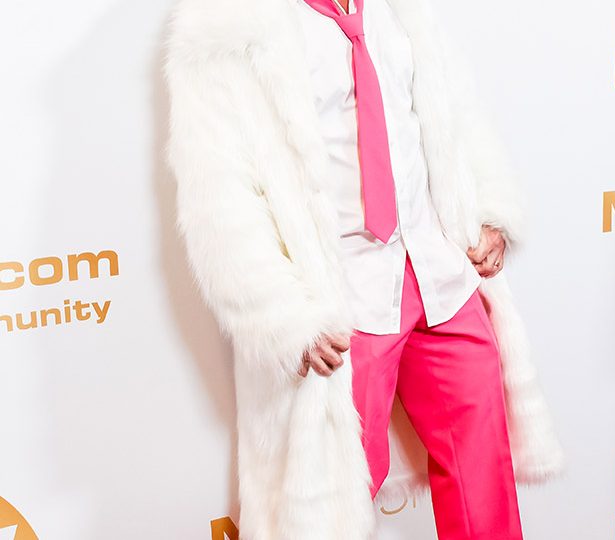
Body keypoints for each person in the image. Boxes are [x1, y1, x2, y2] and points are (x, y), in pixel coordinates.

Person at [162, 0, 566, 538]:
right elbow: (218, 198)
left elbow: (453, 109)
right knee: (335, 502)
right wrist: (283, 316)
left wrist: (490, 207)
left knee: (483, 473)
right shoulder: (226, 25)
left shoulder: (401, 9)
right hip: (343, 302)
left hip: (438, 270)